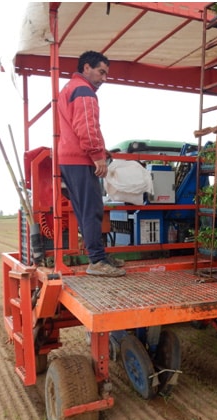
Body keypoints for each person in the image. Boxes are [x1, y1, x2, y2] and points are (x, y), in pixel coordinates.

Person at [58, 50, 126, 277]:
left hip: (69, 158)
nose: (104, 78)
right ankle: (96, 261)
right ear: (86, 68)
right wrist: (98, 156)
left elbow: (74, 128)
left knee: (85, 209)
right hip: (81, 159)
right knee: (92, 210)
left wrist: (100, 150)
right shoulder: (84, 91)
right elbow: (87, 127)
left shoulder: (68, 88)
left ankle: (98, 255)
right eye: (101, 72)